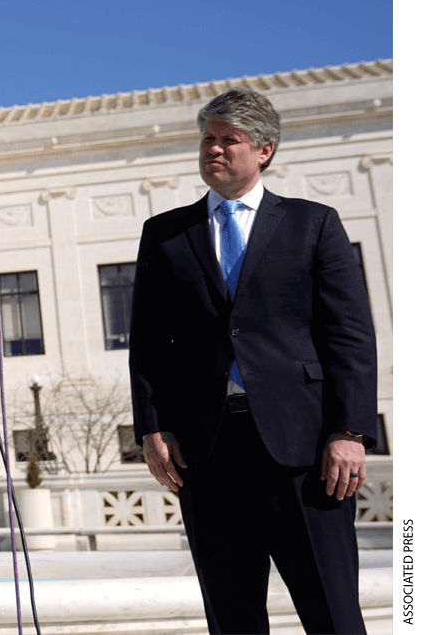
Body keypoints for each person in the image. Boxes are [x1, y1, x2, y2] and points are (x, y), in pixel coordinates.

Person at [129, 87, 377, 634]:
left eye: (228, 141)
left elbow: (350, 334)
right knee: (233, 617)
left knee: (333, 612)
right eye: (207, 140)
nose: (213, 150)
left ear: (263, 149)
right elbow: (147, 342)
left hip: (306, 452)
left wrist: (349, 430)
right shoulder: (165, 235)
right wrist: (152, 427)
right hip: (207, 452)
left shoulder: (312, 224)